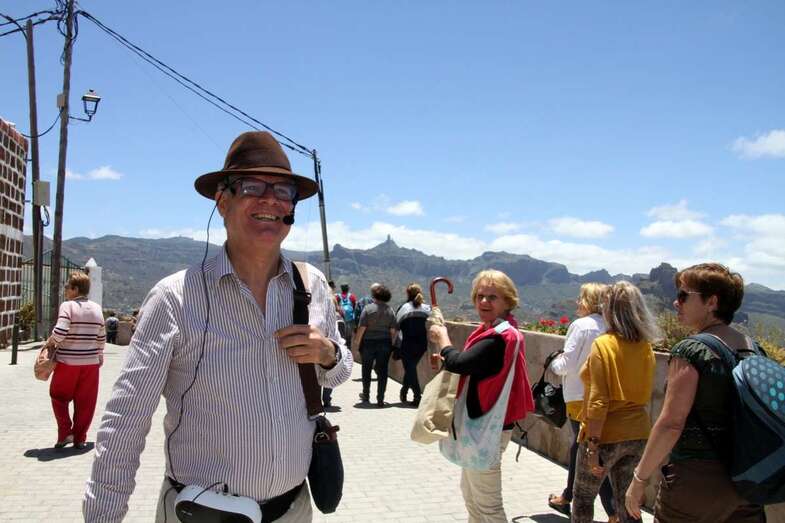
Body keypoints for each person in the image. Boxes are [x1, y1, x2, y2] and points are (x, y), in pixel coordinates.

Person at [83, 131, 353, 522]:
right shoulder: (175, 298)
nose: (270, 200)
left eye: (283, 190)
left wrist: (328, 354)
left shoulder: (311, 286)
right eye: (252, 186)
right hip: (202, 514)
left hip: (294, 510)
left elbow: (337, 375)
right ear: (222, 201)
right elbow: (125, 423)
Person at [625, 263, 766, 522]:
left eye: (683, 296)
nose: (675, 302)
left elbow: (671, 423)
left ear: (712, 302)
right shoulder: (754, 349)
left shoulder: (691, 350)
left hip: (696, 481)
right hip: (749, 481)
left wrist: (639, 479)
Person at [428, 269, 535, 523]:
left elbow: (460, 363)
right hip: (482, 427)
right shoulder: (495, 331)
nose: (484, 301)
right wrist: (446, 357)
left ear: (507, 301)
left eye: (492, 297)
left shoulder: (499, 337)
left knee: (488, 506)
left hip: (485, 429)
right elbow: (473, 366)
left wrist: (442, 338)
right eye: (480, 296)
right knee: (472, 496)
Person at [571, 281, 657, 523]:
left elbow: (598, 400)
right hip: (638, 433)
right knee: (627, 502)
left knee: (583, 498)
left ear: (611, 310)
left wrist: (592, 446)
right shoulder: (645, 347)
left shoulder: (603, 344)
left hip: (606, 435)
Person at [547, 283, 618, 522]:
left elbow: (566, 364)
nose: (578, 302)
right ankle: (567, 496)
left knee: (588, 454)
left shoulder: (581, 326)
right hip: (605, 397)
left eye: (581, 298)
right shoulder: (611, 326)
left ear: (590, 300)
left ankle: (613, 513)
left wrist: (553, 363)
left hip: (579, 397)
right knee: (581, 449)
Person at [43, 271, 105, 449]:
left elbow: (61, 330)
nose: (65, 290)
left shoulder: (67, 306)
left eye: (67, 287)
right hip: (91, 363)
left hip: (67, 362)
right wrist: (99, 354)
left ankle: (65, 433)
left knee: (58, 396)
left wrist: (50, 341)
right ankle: (80, 438)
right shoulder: (97, 308)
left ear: (75, 289)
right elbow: (101, 336)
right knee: (86, 402)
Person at [352, 283, 397, 407]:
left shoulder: (367, 309)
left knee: (366, 369)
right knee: (383, 371)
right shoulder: (390, 310)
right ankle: (380, 398)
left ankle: (366, 395)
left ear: (375, 295)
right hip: (385, 343)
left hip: (368, 343)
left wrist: (357, 344)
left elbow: (362, 328)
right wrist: (392, 344)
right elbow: (393, 331)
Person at [396, 283, 431, 406]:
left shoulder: (403, 308)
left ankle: (417, 396)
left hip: (407, 344)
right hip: (422, 345)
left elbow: (396, 326)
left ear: (407, 293)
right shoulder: (427, 308)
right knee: (411, 368)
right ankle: (404, 391)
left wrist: (395, 344)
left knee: (410, 368)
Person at [337, 283, 358, 348]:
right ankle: (348, 349)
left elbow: (336, 307)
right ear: (348, 289)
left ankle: (342, 349)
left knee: (341, 335)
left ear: (341, 289)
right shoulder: (352, 297)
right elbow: (355, 307)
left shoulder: (337, 297)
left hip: (340, 319)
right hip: (350, 319)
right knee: (349, 336)